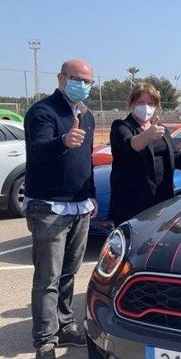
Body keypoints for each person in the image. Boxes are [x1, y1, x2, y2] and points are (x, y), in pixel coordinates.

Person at [23, 59, 98, 359]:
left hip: (79, 206)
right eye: (76, 78)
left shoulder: (86, 115)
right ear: (61, 78)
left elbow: (87, 159)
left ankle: (65, 324)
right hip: (49, 207)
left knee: (69, 272)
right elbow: (39, 148)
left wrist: (91, 195)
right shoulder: (43, 112)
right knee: (48, 277)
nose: (83, 84)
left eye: (88, 80)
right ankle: (45, 340)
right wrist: (63, 141)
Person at [108, 82, 181, 226]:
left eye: (150, 103)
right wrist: (148, 134)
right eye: (141, 102)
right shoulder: (121, 126)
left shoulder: (161, 129)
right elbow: (131, 145)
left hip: (161, 200)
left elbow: (177, 158)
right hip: (133, 204)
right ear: (132, 103)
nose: (146, 107)